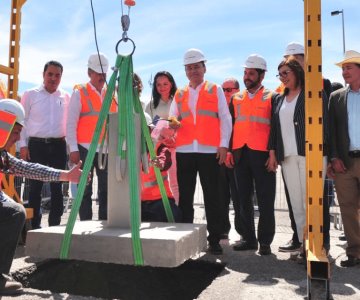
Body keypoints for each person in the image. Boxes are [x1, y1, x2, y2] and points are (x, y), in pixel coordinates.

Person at [0, 99, 82, 296]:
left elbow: (28, 168)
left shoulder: (2, 155)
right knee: (14, 212)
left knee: (11, 210)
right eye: (16, 131)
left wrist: (65, 175)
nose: (18, 137)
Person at [169, 48, 232, 255]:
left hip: (209, 151)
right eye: (189, 68)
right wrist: (173, 124)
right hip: (185, 150)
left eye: (197, 66)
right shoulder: (179, 93)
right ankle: (186, 236)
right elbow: (172, 118)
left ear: (204, 68)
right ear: (185, 71)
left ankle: (214, 239)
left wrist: (223, 145)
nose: (193, 71)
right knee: (185, 197)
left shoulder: (215, 90)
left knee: (212, 197)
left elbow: (225, 118)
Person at [228, 54, 276, 255]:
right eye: (245, 73)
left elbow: (275, 128)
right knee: (242, 199)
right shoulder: (236, 98)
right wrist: (230, 150)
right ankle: (248, 238)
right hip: (240, 153)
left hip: (263, 154)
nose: (247, 77)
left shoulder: (272, 97)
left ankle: (265, 241)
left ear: (261, 75)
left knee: (266, 199)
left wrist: (274, 154)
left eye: (251, 73)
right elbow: (232, 126)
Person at [19, 61, 70, 229]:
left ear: (61, 77)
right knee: (35, 189)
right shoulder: (30, 94)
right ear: (43, 74)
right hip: (36, 146)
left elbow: (70, 123)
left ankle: (55, 227)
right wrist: (23, 146)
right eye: (50, 74)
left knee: (57, 188)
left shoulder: (66, 97)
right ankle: (34, 227)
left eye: (57, 75)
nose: (53, 78)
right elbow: (22, 121)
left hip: (58, 146)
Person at [67, 53, 117, 221]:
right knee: (84, 190)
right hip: (84, 148)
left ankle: (103, 224)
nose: (102, 77)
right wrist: (73, 148)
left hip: (105, 149)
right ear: (89, 72)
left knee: (106, 190)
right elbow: (71, 123)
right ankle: (85, 223)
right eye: (98, 73)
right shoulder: (79, 92)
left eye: (104, 74)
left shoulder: (111, 94)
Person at [328, 50, 360, 267]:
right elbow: (330, 131)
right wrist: (333, 158)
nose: (344, 71)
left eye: (349, 67)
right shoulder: (336, 97)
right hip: (344, 163)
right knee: (347, 208)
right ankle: (355, 253)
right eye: (343, 68)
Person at [145, 71, 179, 203]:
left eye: (165, 83)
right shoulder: (151, 105)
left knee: (174, 182)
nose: (162, 87)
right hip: (158, 148)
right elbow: (148, 126)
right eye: (158, 84)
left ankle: (177, 211)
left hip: (175, 147)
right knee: (161, 181)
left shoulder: (178, 101)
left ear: (171, 84)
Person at [141, 116, 182, 222]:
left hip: (161, 201)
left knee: (175, 218)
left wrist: (161, 163)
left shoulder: (161, 148)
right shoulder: (135, 150)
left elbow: (165, 158)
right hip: (140, 202)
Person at [219, 77, 240, 239]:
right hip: (219, 158)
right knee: (221, 196)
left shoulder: (241, 108)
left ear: (236, 91)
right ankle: (223, 229)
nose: (225, 93)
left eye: (228, 89)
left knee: (239, 197)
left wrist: (231, 152)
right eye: (223, 89)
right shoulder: (218, 109)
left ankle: (243, 232)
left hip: (236, 159)